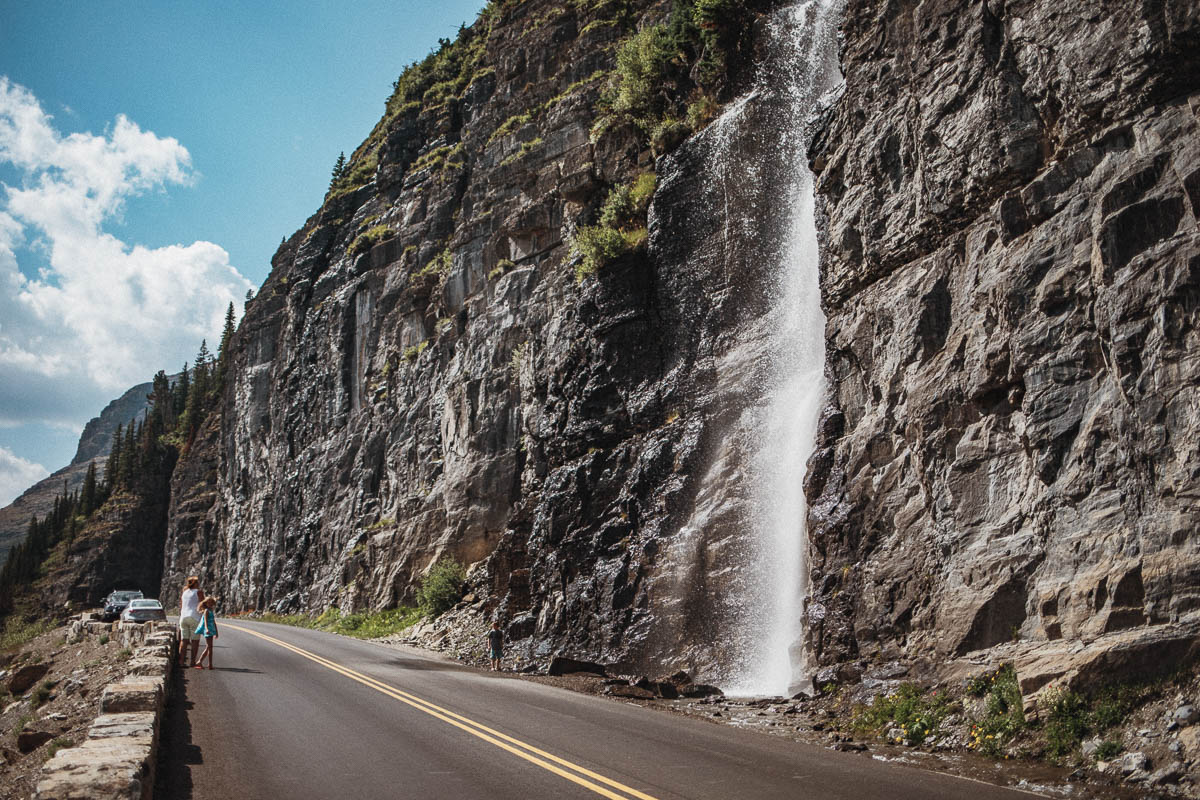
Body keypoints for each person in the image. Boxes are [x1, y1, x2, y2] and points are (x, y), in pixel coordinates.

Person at [178, 576, 205, 667]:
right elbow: (203, 604)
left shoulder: (184, 592)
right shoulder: (199, 592)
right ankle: (192, 661)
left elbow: (181, 605)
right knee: (195, 641)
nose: (199, 584)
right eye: (198, 583)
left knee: (184, 640)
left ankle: (181, 661)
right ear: (195, 584)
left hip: (183, 617)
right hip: (194, 617)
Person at [194, 597, 218, 670]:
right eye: (209, 603)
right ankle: (210, 664)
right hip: (208, 630)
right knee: (210, 647)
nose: (210, 604)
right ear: (206, 603)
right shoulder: (206, 611)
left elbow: (214, 622)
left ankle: (200, 662)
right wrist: (207, 629)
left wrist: (216, 632)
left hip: (211, 630)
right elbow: (205, 621)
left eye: (211, 603)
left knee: (209, 647)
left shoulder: (211, 610)